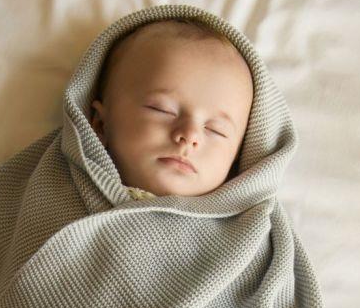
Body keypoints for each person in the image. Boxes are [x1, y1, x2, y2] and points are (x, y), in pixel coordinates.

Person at [89, 18, 254, 199]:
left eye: (216, 130)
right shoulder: (66, 193)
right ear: (100, 124)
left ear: (236, 157)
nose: (190, 135)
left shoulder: (249, 217)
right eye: (162, 110)